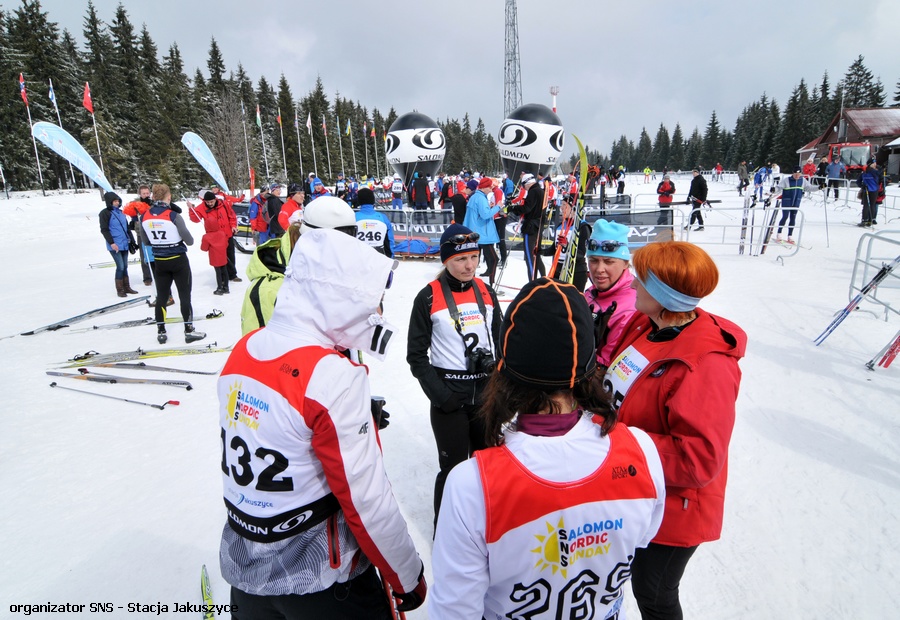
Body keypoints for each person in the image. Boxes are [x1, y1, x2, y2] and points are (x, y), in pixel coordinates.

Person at [429, 277, 665, 620]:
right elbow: (643, 537)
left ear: (505, 372)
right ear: (589, 367)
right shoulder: (640, 450)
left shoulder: (472, 484)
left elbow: (454, 610)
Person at [220, 228, 427, 618]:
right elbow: (366, 498)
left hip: (247, 573)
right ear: (342, 299)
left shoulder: (244, 350)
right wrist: (405, 573)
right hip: (323, 583)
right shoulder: (330, 377)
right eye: (371, 303)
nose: (377, 315)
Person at [605, 241, 746, 620]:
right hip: (637, 490)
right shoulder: (646, 322)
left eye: (642, 279)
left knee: (653, 592)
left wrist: (616, 442)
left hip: (674, 510)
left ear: (665, 294)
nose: (632, 284)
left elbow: (697, 460)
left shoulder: (706, 366)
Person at [406, 224, 502, 527]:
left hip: (485, 395)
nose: (470, 265)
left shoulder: (485, 291)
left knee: (490, 467)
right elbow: (416, 357)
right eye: (461, 259)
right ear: (446, 260)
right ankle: (446, 531)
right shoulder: (428, 297)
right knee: (453, 469)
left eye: (473, 257)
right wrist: (443, 396)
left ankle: (489, 527)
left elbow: (500, 342)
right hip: (450, 395)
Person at [139, 184, 204, 344]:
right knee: (184, 295)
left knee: (161, 297)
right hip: (178, 260)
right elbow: (189, 240)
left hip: (160, 261)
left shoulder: (144, 216)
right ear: (168, 197)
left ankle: (161, 331)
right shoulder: (173, 215)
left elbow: (146, 241)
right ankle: (189, 330)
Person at [584, 219, 637, 371]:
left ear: (625, 263)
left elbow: (606, 366)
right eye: (593, 260)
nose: (599, 269)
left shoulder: (630, 307)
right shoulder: (594, 291)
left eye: (608, 262)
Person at [188, 190, 241, 283]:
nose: (210, 204)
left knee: (230, 255)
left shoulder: (224, 204)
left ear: (215, 199)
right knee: (219, 259)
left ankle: (232, 275)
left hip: (227, 234)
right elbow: (195, 219)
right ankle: (222, 278)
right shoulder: (201, 208)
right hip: (215, 238)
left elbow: (232, 216)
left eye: (211, 201)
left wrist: (233, 226)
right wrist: (191, 210)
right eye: (207, 202)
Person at [99, 191, 138, 298]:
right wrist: (111, 243)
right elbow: (104, 230)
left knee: (125, 266)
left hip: (125, 243)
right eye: (114, 201)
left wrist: (132, 241)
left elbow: (126, 229)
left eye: (118, 201)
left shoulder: (121, 213)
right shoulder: (105, 213)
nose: (117, 203)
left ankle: (127, 287)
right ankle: (120, 289)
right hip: (115, 244)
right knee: (120, 266)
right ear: (109, 202)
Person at [463, 177, 501, 286]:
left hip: (474, 232)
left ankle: (471, 285)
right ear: (484, 187)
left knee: (475, 259)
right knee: (493, 259)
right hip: (482, 234)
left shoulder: (474, 197)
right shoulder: (480, 198)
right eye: (490, 187)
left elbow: (479, 213)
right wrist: (498, 206)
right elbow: (485, 215)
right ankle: (492, 285)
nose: (491, 190)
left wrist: (489, 208)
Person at [508, 173, 545, 281]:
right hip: (538, 225)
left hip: (531, 226)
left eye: (523, 185)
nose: (524, 188)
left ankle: (532, 283)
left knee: (529, 256)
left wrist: (513, 209)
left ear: (527, 183)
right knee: (536, 255)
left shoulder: (533, 191)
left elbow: (527, 208)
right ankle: (544, 279)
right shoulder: (541, 190)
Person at [775, 166, 818, 243]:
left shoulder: (803, 180)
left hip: (796, 201)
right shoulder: (787, 180)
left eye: (799, 174)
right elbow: (778, 188)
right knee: (785, 217)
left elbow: (809, 188)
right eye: (796, 174)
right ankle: (779, 233)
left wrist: (820, 187)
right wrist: (773, 189)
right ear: (793, 173)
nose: (797, 176)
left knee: (793, 218)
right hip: (787, 201)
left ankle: (790, 235)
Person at [122, 185, 154, 285]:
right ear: (140, 194)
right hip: (141, 232)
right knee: (144, 255)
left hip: (153, 231)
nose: (146, 195)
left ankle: (158, 274)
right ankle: (147, 277)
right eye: (144, 193)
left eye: (147, 193)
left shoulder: (154, 202)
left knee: (156, 254)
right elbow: (131, 213)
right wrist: (133, 220)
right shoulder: (135, 203)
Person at [355, 187, 394, 257]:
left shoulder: (353, 218)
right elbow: (390, 242)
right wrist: (390, 259)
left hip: (358, 259)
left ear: (359, 201)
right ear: (373, 200)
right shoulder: (383, 218)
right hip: (378, 259)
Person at [199, 210, 229, 296]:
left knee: (218, 272)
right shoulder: (222, 233)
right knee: (225, 271)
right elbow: (226, 244)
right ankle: (226, 287)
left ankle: (219, 288)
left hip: (215, 257)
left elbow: (204, 248)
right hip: (223, 256)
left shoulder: (206, 237)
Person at [857, 159, 882, 228]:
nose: (875, 164)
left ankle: (868, 220)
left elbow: (881, 179)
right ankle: (867, 220)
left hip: (872, 190)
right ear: (870, 164)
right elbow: (858, 181)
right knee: (869, 205)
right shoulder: (866, 172)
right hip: (869, 190)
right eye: (874, 163)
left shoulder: (868, 172)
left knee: (869, 205)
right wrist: (862, 186)